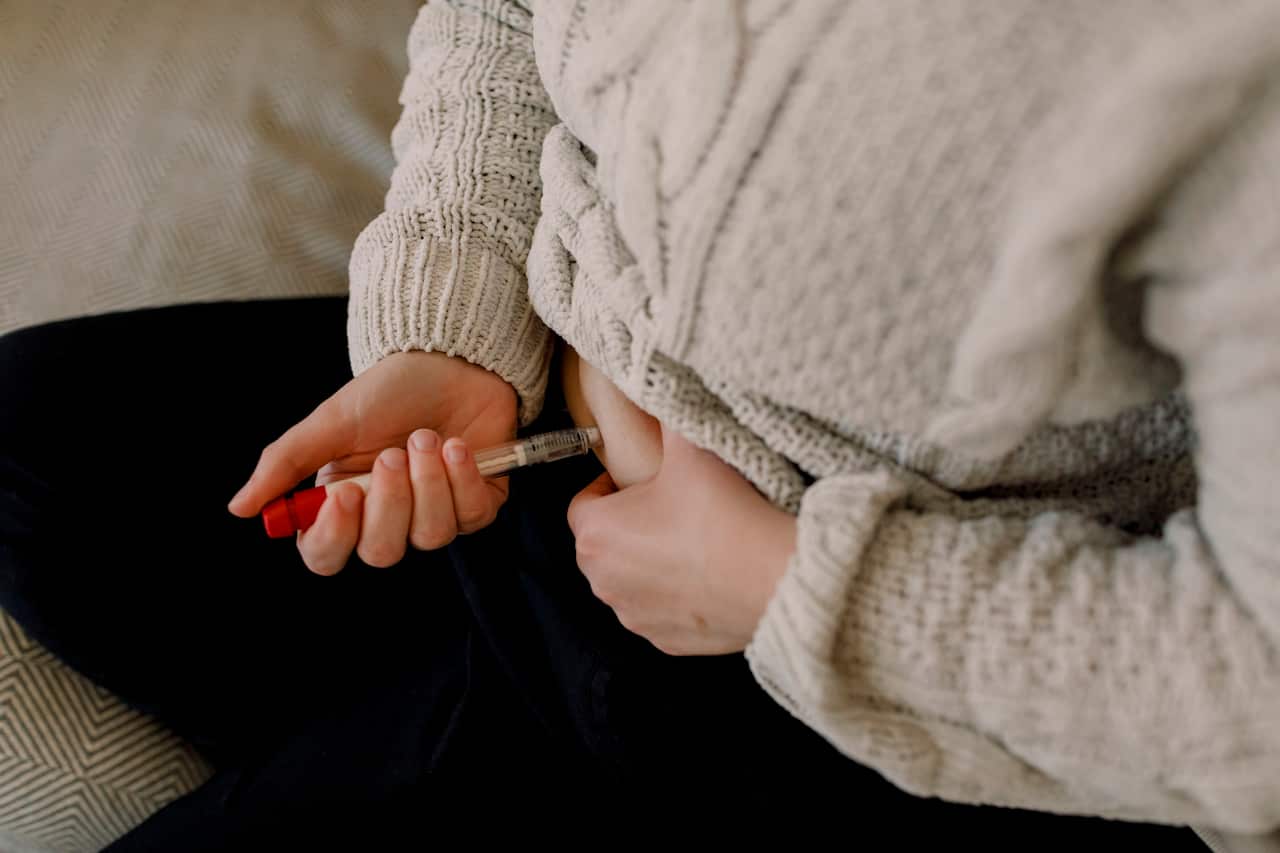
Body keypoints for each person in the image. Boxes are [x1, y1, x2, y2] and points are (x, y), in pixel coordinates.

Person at [3, 0, 1278, 847]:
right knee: (27, 455)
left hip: (843, 650)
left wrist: (783, 589)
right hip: (547, 409)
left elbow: (1254, 696)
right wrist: (446, 321)